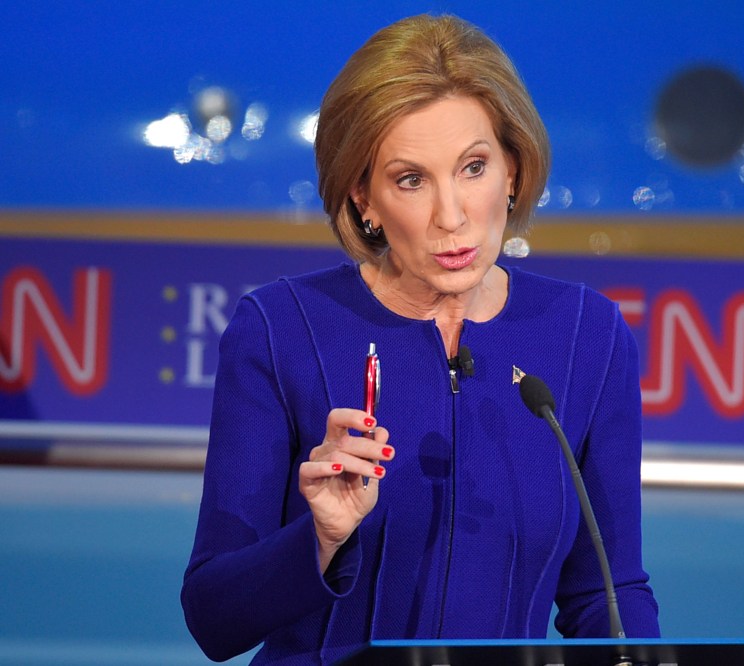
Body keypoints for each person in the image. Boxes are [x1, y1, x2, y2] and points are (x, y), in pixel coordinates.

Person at [181, 13, 659, 664]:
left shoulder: (587, 335)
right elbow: (214, 617)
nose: (452, 215)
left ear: (513, 172)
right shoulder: (279, 328)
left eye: (473, 167)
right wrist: (319, 537)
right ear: (363, 197)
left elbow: (606, 593)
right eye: (412, 179)